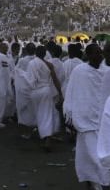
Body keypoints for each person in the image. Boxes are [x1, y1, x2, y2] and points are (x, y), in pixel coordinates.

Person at [65, 44, 110, 190]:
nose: (100, 56)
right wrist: (69, 115)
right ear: (89, 55)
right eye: (97, 53)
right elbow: (71, 93)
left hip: (103, 121)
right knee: (89, 157)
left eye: (101, 53)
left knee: (100, 158)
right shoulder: (79, 71)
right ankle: (92, 181)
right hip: (85, 121)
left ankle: (101, 183)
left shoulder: (107, 71)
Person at [27, 45, 62, 150]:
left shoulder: (31, 63)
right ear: (45, 54)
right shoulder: (49, 65)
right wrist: (60, 93)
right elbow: (55, 80)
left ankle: (42, 134)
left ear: (36, 53)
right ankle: (47, 140)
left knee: (38, 113)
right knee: (46, 114)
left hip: (34, 92)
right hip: (45, 91)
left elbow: (29, 79)